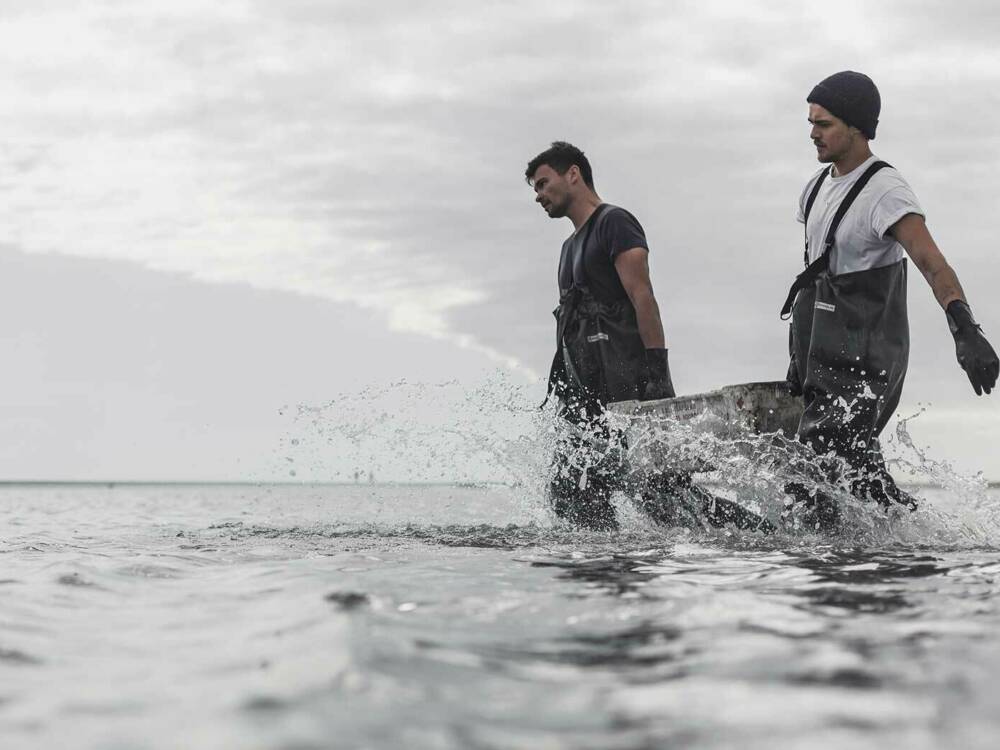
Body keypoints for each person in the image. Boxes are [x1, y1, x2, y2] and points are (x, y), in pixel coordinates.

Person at [781, 71, 999, 527]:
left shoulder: (886, 191)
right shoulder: (816, 188)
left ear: (857, 127)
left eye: (824, 124)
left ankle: (923, 542)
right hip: (821, 352)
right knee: (821, 478)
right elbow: (817, 273)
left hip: (866, 355)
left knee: (827, 466)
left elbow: (932, 262)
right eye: (811, 122)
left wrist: (966, 328)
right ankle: (885, 554)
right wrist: (798, 360)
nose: (812, 133)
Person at [527, 142, 764, 531]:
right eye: (534, 189)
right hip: (586, 399)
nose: (538, 196)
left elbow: (643, 297)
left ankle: (756, 535)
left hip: (630, 388)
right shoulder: (567, 248)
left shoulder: (614, 223)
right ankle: (602, 570)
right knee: (572, 490)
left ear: (573, 174)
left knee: (663, 496)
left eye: (542, 183)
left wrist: (657, 373)